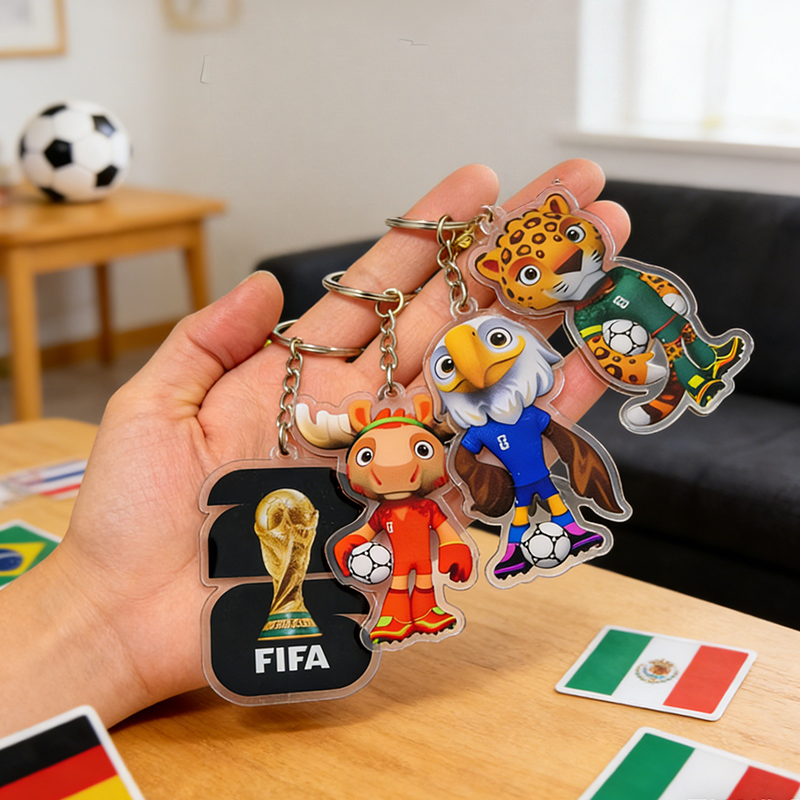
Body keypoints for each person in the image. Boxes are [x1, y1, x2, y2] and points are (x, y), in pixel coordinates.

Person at [0, 159, 629, 737]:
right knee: (434, 568)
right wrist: (101, 604)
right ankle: (446, 588)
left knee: (529, 502)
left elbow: (452, 508)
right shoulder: (391, 492)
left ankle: (539, 539)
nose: (393, 465)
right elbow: (373, 526)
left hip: (455, 521)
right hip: (372, 569)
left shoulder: (458, 459)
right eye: (369, 458)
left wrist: (456, 548)